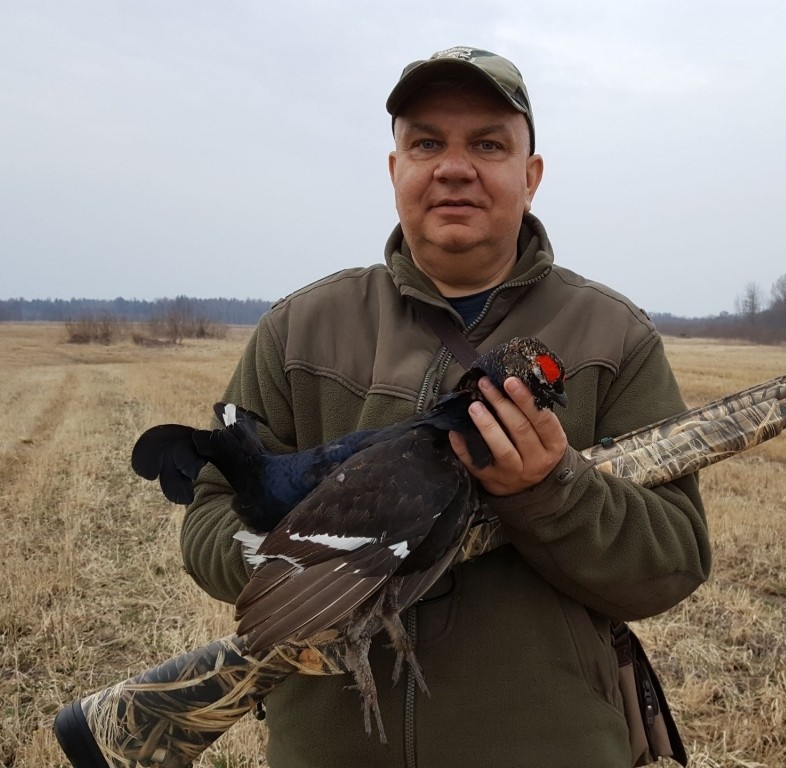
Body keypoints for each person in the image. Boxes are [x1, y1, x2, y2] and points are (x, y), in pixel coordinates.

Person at [181, 46, 711, 767]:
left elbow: (671, 562)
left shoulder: (613, 337)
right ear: (395, 169)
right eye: (426, 142)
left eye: (487, 144)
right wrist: (310, 566)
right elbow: (211, 515)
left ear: (531, 177)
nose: (454, 166)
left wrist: (552, 493)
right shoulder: (300, 328)